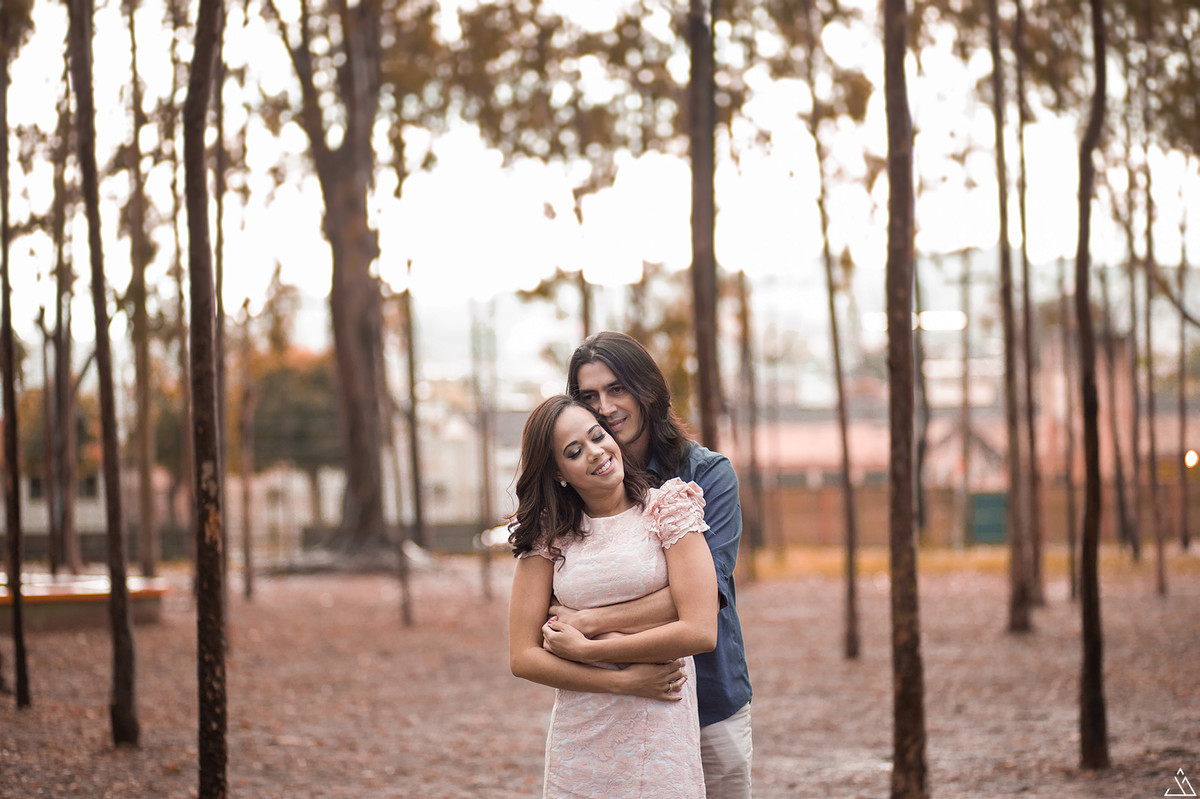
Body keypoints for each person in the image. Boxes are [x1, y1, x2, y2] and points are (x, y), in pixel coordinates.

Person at [561, 331, 754, 799]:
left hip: (707, 697)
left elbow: (706, 595)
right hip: (612, 704)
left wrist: (590, 622)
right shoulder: (577, 496)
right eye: (590, 396)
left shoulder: (706, 476)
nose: (605, 407)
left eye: (617, 388)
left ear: (647, 388)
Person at [508, 395, 719, 798]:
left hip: (659, 726)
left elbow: (700, 630)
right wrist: (621, 681)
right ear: (557, 472)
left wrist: (587, 648)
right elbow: (523, 657)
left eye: (597, 436)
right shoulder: (548, 535)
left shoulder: (669, 508)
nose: (595, 452)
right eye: (574, 451)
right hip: (581, 737)